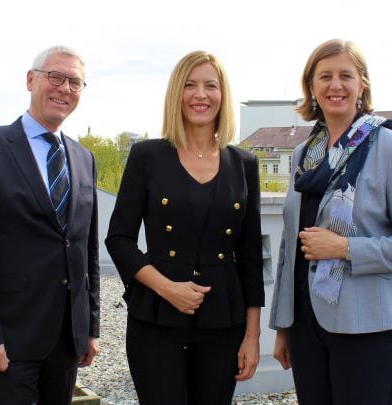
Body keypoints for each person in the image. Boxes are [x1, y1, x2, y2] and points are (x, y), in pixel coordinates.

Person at [106, 50, 264, 405]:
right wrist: (168, 288)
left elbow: (252, 257)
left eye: (211, 85)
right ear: (177, 93)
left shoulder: (244, 164)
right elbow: (118, 239)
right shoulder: (147, 156)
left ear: (223, 95)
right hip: (156, 317)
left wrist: (252, 336)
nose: (200, 95)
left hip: (223, 321)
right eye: (190, 85)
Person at [269, 38, 392, 405]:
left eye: (345, 76)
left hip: (366, 327)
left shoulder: (386, 147)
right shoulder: (305, 154)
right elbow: (290, 246)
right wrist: (284, 326)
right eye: (324, 76)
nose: (334, 85)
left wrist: (345, 248)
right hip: (307, 326)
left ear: (362, 84)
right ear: (311, 86)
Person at [0, 45, 100, 405]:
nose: (64, 88)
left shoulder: (84, 159)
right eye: (55, 76)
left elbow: (87, 250)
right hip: (9, 339)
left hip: (66, 341)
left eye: (75, 82)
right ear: (31, 79)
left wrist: (90, 329)